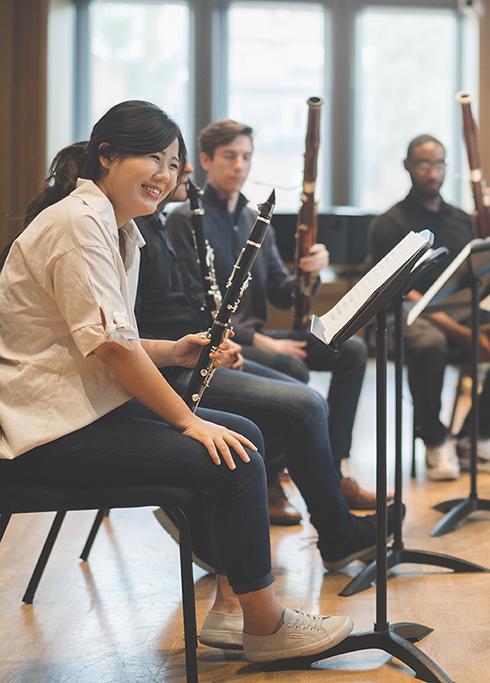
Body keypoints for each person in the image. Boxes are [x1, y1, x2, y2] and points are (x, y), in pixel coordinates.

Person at [0, 100, 353, 661]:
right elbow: (112, 349)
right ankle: (264, 625)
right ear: (107, 156)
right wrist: (188, 422)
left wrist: (173, 349)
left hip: (84, 404)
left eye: (172, 163)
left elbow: (101, 337)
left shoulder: (115, 226)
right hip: (48, 427)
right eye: (152, 159)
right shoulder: (78, 224)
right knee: (232, 453)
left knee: (244, 436)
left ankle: (233, 610)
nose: (165, 176)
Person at [134, 164, 397, 580]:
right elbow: (145, 323)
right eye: (166, 163)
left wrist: (308, 274)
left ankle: (330, 482)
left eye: (246, 155)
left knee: (330, 369)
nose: (175, 174)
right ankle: (330, 527)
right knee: (303, 400)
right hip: (171, 363)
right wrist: (216, 342)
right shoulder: (169, 223)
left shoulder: (165, 225)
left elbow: (275, 289)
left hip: (202, 347)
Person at [165, 118, 377, 509]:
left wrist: (309, 272)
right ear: (207, 161)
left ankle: (334, 467)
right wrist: (257, 340)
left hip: (255, 336)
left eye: (246, 157)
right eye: (229, 156)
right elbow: (195, 304)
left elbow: (283, 293)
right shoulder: (184, 220)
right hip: (215, 344)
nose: (240, 166)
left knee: (353, 351)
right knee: (293, 371)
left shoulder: (251, 216)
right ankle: (271, 480)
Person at [370, 134, 490, 481]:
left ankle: (473, 437)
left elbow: (471, 278)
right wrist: (464, 334)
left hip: (459, 309)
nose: (432, 173)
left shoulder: (462, 220)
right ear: (407, 166)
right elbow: (399, 292)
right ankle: (435, 439)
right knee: (428, 343)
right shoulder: (388, 224)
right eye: (423, 164)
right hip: (406, 313)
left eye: (438, 164)